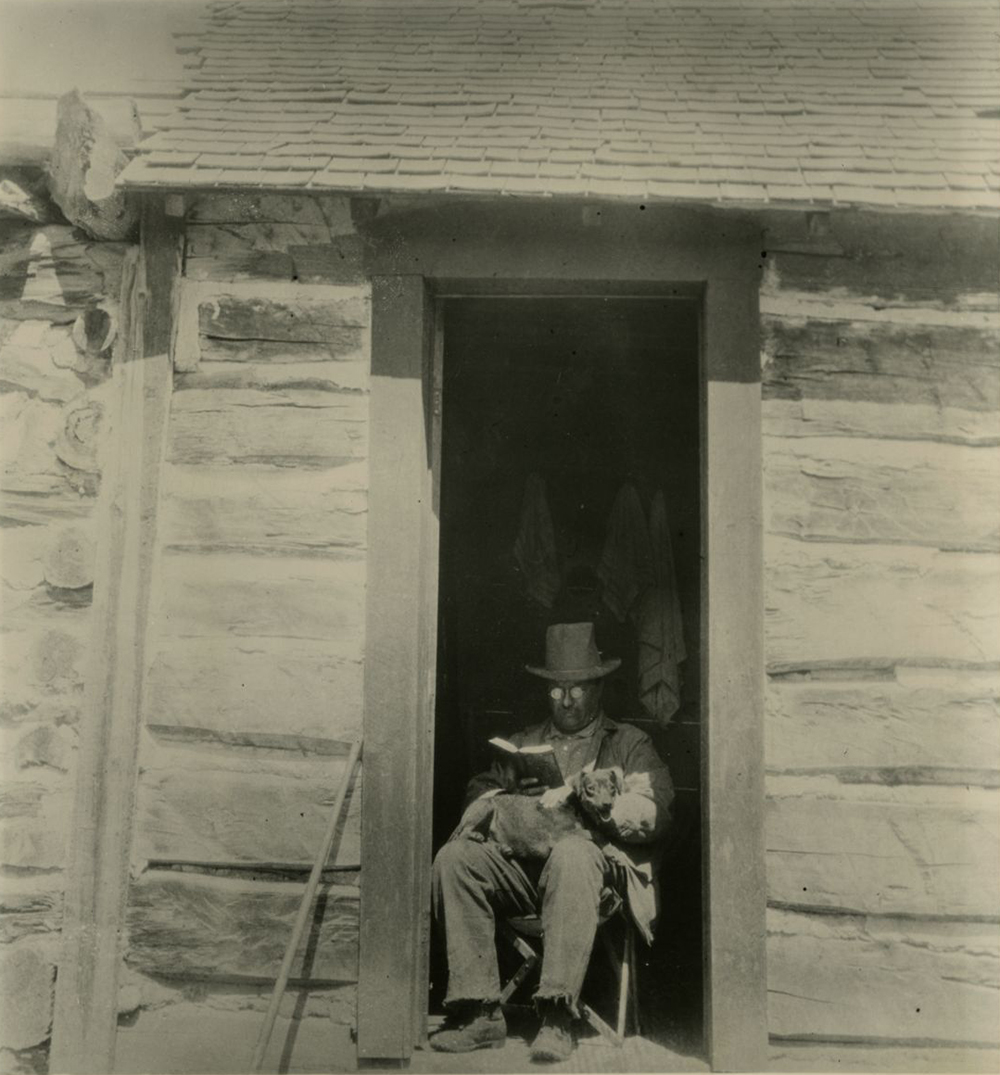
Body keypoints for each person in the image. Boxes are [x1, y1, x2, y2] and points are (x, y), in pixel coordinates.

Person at [430, 622, 674, 1061]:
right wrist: (505, 793)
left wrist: (599, 803)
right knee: (456, 858)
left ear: (598, 688)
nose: (565, 700)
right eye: (556, 690)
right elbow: (475, 794)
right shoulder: (526, 741)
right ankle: (481, 1012)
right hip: (526, 873)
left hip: (595, 880)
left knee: (573, 852)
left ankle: (558, 1017)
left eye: (577, 689)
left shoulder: (627, 744)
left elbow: (657, 810)